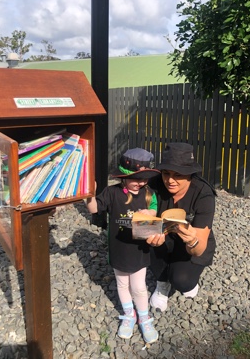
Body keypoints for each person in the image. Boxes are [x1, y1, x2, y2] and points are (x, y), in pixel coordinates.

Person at [85, 148, 161, 343]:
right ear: (123, 177)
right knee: (122, 284)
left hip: (139, 250)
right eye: (137, 178)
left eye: (144, 178)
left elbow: (154, 210)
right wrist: (89, 195)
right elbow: (94, 209)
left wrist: (151, 215)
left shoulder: (148, 193)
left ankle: (144, 317)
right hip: (118, 248)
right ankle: (129, 315)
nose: (141, 183)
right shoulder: (112, 192)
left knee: (138, 287)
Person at [146, 142, 217, 312]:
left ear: (190, 175)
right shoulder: (153, 184)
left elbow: (199, 249)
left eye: (177, 175)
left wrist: (192, 240)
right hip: (162, 237)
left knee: (183, 281)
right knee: (143, 242)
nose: (170, 180)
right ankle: (162, 282)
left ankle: (180, 277)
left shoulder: (203, 194)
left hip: (191, 241)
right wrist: (147, 230)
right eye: (166, 173)